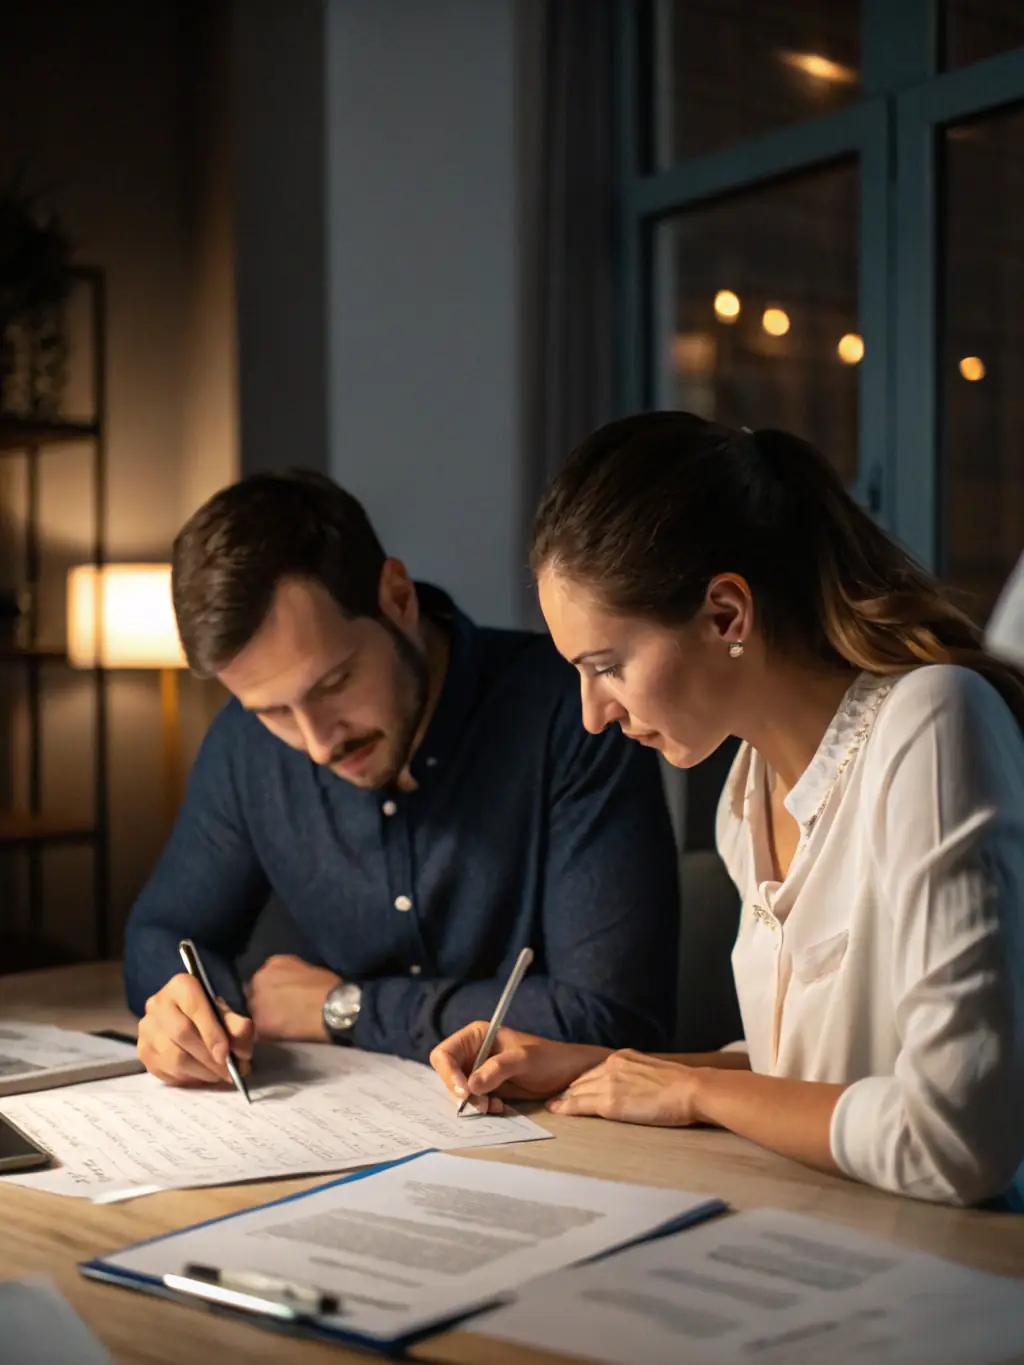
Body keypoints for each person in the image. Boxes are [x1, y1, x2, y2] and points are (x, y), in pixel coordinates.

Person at [431, 412, 1024, 1207]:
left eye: (606, 666)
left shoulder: (932, 724)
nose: (591, 715)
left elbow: (957, 1138)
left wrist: (695, 1093)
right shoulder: (744, 799)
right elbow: (807, 1077)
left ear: (725, 615)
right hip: (831, 1232)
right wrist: (587, 1064)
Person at [124, 469, 681, 1087]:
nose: (317, 741)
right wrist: (187, 1011)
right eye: (274, 711)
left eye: (334, 683)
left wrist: (348, 1008)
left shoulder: (574, 716)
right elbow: (162, 934)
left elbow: (613, 1020)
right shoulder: (245, 744)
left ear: (396, 596)